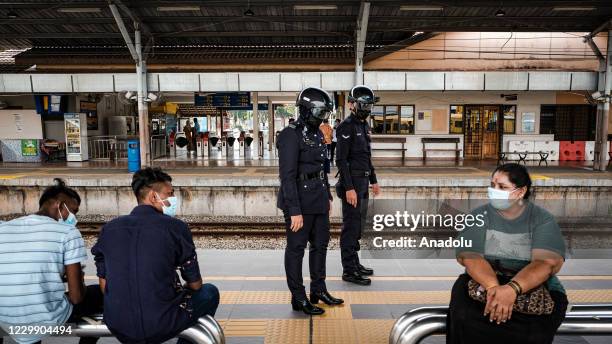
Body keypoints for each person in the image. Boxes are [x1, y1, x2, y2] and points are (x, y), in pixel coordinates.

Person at [92, 167, 219, 344]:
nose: (173, 199)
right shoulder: (175, 227)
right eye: (170, 194)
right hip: (161, 323)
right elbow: (196, 284)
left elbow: (104, 285)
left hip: (118, 322)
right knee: (209, 292)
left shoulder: (110, 228)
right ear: (153, 197)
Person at [449, 163, 567, 344]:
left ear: (520, 192)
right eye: (492, 185)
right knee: (464, 318)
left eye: (502, 187)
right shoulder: (479, 216)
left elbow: (546, 263)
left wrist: (512, 289)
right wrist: (494, 289)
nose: (494, 190)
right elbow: (470, 256)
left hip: (533, 285)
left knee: (533, 331)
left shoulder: (542, 219)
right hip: (485, 282)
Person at [0, 178, 103, 344]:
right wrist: (79, 279)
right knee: (100, 292)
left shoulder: (3, 227)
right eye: (73, 211)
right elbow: (76, 297)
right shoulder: (68, 232)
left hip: (5, 316)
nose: (74, 218)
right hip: (44, 320)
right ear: (60, 205)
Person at [277, 87, 344, 315]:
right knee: (296, 249)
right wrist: (294, 210)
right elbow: (287, 176)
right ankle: (298, 297)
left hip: (317, 198)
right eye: (320, 112)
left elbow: (321, 170)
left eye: (325, 112)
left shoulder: (316, 133)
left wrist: (326, 196)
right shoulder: (290, 135)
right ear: (307, 110)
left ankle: (319, 289)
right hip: (298, 201)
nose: (323, 117)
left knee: (321, 246)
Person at [335, 85, 381, 286]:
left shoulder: (364, 125)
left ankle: (355, 263)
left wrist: (374, 180)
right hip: (352, 184)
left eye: (369, 105)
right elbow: (341, 160)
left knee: (359, 227)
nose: (367, 108)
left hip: (363, 182)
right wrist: (349, 188)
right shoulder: (346, 126)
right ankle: (349, 270)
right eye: (364, 104)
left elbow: (366, 156)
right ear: (353, 105)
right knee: (350, 228)